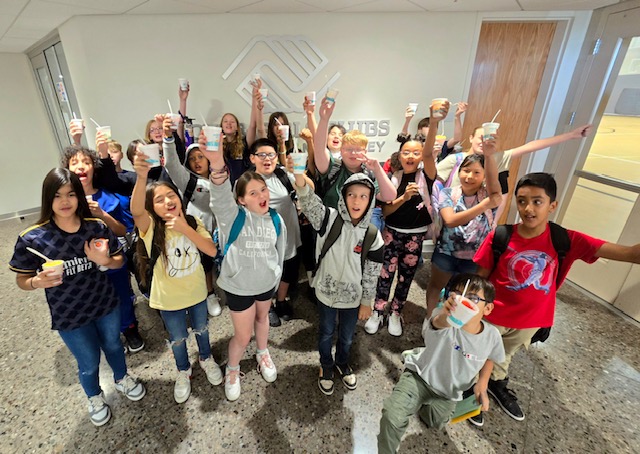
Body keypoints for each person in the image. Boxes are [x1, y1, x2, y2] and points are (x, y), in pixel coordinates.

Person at [472, 172, 640, 424]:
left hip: (530, 320)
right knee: (477, 353)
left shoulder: (566, 240)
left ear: (552, 205)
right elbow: (480, 279)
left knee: (504, 354)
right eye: (522, 201)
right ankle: (470, 389)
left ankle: (496, 383)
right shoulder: (501, 236)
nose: (528, 208)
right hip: (492, 314)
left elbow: (629, 254)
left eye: (537, 201)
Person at [9, 168, 146, 426]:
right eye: (57, 195)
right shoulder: (32, 238)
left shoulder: (96, 227)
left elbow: (118, 263)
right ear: (47, 198)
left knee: (115, 346)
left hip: (104, 303)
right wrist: (36, 281)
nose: (65, 201)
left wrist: (105, 259)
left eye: (71, 194)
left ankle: (122, 378)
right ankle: (94, 396)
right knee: (88, 362)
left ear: (79, 197)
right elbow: (22, 279)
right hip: (69, 314)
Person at [130, 150, 223, 404]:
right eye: (159, 200)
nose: (168, 201)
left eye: (171, 195)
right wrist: (141, 178)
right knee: (178, 338)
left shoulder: (192, 222)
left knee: (202, 329)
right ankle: (183, 370)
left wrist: (184, 228)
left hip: (196, 294)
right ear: (152, 208)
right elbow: (137, 211)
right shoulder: (150, 228)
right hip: (169, 300)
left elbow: (212, 250)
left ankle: (206, 357)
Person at [377, 273, 505, 453]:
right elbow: (437, 325)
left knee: (435, 422)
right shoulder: (443, 317)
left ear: (488, 308)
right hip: (420, 376)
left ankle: (424, 404)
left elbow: (490, 357)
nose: (462, 300)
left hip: (450, 391)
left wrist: (482, 384)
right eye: (457, 294)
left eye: (473, 298)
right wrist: (447, 316)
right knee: (392, 417)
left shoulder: (492, 336)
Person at [203, 132, 287, 402]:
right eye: (253, 193)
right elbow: (219, 198)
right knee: (241, 335)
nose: (262, 195)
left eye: (263, 190)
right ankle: (233, 368)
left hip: (265, 285)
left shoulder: (276, 220)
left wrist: (275, 277)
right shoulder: (233, 217)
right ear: (241, 199)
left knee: (263, 320)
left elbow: (279, 253)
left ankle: (262, 352)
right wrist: (217, 165)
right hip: (239, 286)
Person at [293, 167, 384, 396]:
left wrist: (367, 301)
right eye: (351, 194)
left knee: (346, 335)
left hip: (353, 299)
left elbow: (372, 272)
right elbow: (309, 201)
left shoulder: (372, 235)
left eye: (363, 196)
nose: (356, 201)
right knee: (325, 331)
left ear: (371, 200)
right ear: (343, 195)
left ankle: (342, 362)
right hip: (325, 292)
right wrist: (299, 177)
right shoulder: (328, 219)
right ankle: (325, 365)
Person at [365, 103, 441, 337]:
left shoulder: (426, 176)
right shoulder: (393, 178)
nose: (410, 156)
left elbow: (428, 154)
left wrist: (434, 119)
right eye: (406, 152)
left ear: (422, 156)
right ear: (399, 155)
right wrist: (403, 198)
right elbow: (386, 212)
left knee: (406, 278)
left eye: (416, 153)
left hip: (415, 236)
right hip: (391, 232)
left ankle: (395, 312)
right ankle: (378, 311)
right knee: (385, 274)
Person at [62, 141, 145, 352]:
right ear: (68, 169)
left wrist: (102, 214)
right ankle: (106, 337)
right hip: (83, 267)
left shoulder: (107, 196)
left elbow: (121, 231)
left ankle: (129, 328)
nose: (81, 166)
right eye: (75, 162)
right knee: (92, 301)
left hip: (113, 260)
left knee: (122, 295)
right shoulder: (65, 200)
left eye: (86, 162)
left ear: (93, 168)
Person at [425, 135, 503, 316]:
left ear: (484, 176)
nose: (469, 176)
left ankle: (455, 322)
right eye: (466, 171)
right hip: (446, 253)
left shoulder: (490, 196)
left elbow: (495, 186)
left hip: (474, 259)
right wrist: (484, 206)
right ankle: (430, 321)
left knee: (466, 294)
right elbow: (450, 220)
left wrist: (490, 156)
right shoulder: (448, 193)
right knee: (436, 286)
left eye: (477, 172)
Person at [159, 114, 222, 317]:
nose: (196, 162)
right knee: (203, 264)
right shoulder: (189, 181)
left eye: (200, 157)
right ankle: (208, 294)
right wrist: (168, 138)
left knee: (218, 261)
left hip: (221, 229)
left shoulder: (221, 176)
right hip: (199, 230)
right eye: (192, 159)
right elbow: (171, 164)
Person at [247, 138, 314, 327]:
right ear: (253, 158)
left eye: (271, 155)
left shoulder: (283, 174)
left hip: (290, 235)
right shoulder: (246, 181)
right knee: (266, 273)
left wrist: (298, 172)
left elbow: (309, 189)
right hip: (263, 239)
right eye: (262, 155)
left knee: (289, 271)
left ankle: (281, 301)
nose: (267, 159)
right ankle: (266, 306)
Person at [312, 97, 397, 209]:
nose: (353, 153)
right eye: (348, 149)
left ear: (365, 152)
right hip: (332, 225)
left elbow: (389, 196)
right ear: (341, 151)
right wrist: (324, 119)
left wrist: (378, 170)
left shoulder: (369, 174)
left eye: (358, 150)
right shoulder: (332, 168)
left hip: (359, 226)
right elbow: (319, 148)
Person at [220, 112, 251, 186]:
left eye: (232, 121)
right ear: (221, 127)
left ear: (237, 127)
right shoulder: (217, 145)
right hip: (222, 185)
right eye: (225, 121)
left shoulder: (244, 143)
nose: (229, 123)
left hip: (241, 185)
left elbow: (253, 126)